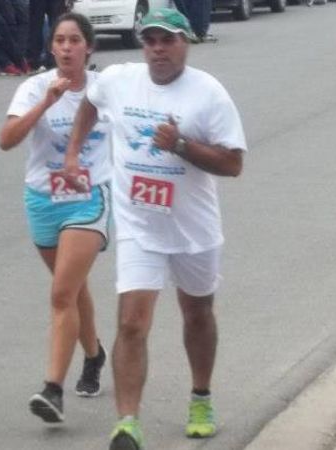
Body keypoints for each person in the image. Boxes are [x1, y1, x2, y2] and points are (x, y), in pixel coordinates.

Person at [62, 8, 247, 449]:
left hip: (192, 228)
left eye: (167, 40)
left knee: (197, 313)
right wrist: (74, 154)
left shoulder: (209, 94)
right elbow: (90, 101)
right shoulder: (120, 79)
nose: (158, 50)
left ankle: (201, 396)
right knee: (131, 322)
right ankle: (127, 422)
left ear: (185, 42)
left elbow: (234, 163)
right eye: (150, 41)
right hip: (139, 225)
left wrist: (181, 145)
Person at [0, 12, 110, 424]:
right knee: (73, 289)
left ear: (89, 47)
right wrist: (48, 100)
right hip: (42, 199)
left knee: (62, 294)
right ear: (51, 47)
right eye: (59, 40)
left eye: (74, 40)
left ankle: (52, 390)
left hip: (89, 198)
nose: (66, 47)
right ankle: (95, 354)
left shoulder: (104, 89)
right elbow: (6, 141)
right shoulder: (33, 87)